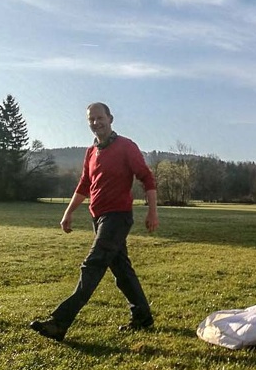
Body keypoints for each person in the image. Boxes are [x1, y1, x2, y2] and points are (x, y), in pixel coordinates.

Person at [30, 102, 159, 341]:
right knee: (122, 271)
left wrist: (152, 212)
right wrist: (68, 213)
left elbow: (147, 179)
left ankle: (59, 322)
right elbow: (84, 185)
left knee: (93, 264)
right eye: (91, 119)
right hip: (98, 218)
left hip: (117, 217)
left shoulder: (126, 147)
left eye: (100, 118)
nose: (95, 123)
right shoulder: (91, 152)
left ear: (110, 119)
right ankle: (142, 317)